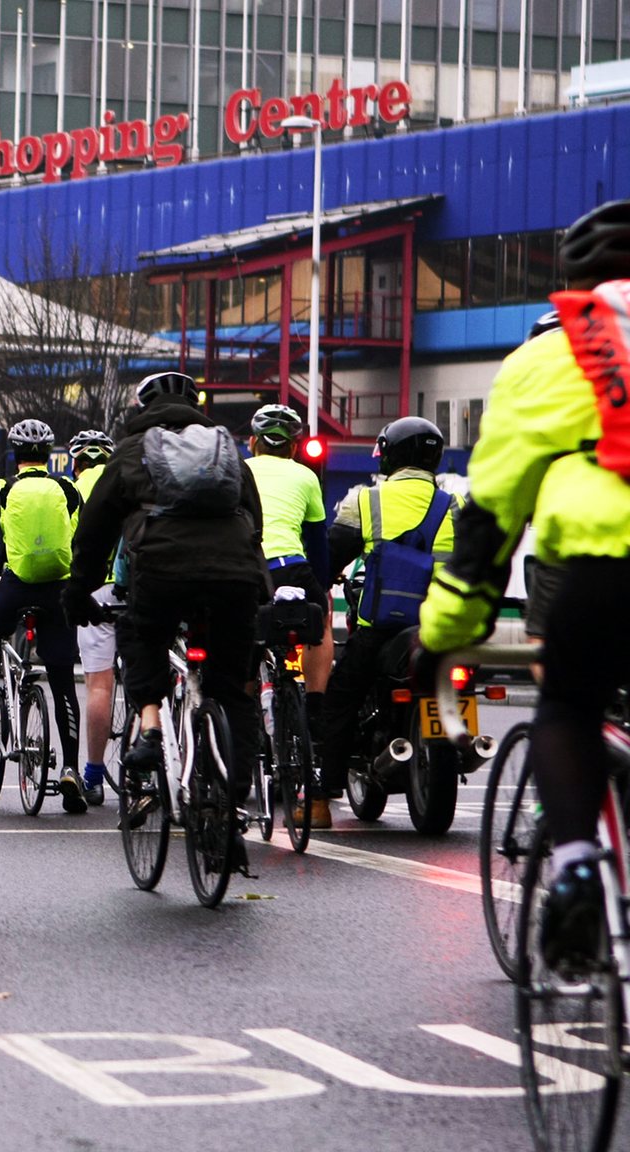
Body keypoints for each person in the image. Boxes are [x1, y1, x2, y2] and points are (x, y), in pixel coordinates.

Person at [419, 200, 630, 973]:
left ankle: (575, 865)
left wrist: (443, 635)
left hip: (602, 570)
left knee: (568, 710)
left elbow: (489, 519)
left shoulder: (548, 359)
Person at [65, 371, 267, 874]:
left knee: (141, 633)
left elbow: (94, 531)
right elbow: (254, 518)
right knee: (232, 692)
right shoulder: (225, 449)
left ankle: (152, 722)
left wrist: (79, 589)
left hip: (161, 572)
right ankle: (230, 809)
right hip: (235, 576)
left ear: (143, 407)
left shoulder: (132, 451)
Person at [319, 416, 455, 810]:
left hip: (382, 626)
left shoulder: (365, 500)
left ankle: (325, 787)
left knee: (340, 694)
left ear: (390, 455)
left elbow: (332, 556)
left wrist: (317, 583)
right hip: (445, 623)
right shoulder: (456, 505)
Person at [0, 419, 87, 811]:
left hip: (15, 585)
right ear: (46, 454)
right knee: (63, 684)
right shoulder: (68, 489)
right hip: (58, 590)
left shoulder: (2, 490)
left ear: (15, 454)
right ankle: (70, 769)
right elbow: (85, 542)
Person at [242, 404, 337, 827]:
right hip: (293, 567)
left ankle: (244, 704)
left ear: (252, 442)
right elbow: (318, 545)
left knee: (244, 635)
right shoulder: (307, 477)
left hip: (249, 567)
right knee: (322, 619)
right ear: (295, 446)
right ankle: (314, 699)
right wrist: (322, 585)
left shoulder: (240, 470)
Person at [66, 429, 120, 800]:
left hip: (95, 588)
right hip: (136, 589)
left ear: (76, 464)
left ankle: (95, 776)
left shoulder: (72, 491)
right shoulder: (126, 482)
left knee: (100, 685)